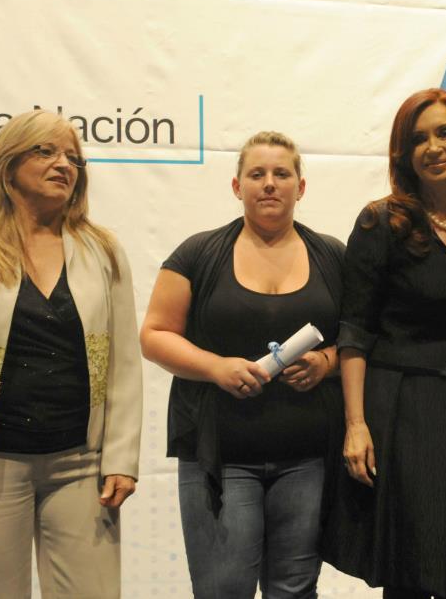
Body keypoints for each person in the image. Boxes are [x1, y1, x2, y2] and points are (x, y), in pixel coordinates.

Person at [0, 110, 143, 598]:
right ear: (8, 164)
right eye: (46, 151)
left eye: (73, 157)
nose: (64, 164)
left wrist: (121, 457)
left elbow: (123, 365)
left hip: (81, 467)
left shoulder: (103, 250)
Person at [321, 88, 446, 599]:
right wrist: (356, 425)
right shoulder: (380, 221)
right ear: (403, 154)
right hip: (404, 406)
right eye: (419, 139)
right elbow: (355, 332)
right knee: (409, 565)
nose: (434, 148)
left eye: (445, 133)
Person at [140, 130, 344, 599]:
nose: (269, 183)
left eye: (281, 174)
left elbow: (358, 342)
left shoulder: (333, 256)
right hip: (220, 456)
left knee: (295, 590)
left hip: (308, 458)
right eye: (257, 174)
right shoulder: (197, 254)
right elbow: (154, 335)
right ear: (237, 186)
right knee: (223, 590)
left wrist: (324, 362)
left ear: (301, 187)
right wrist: (216, 368)